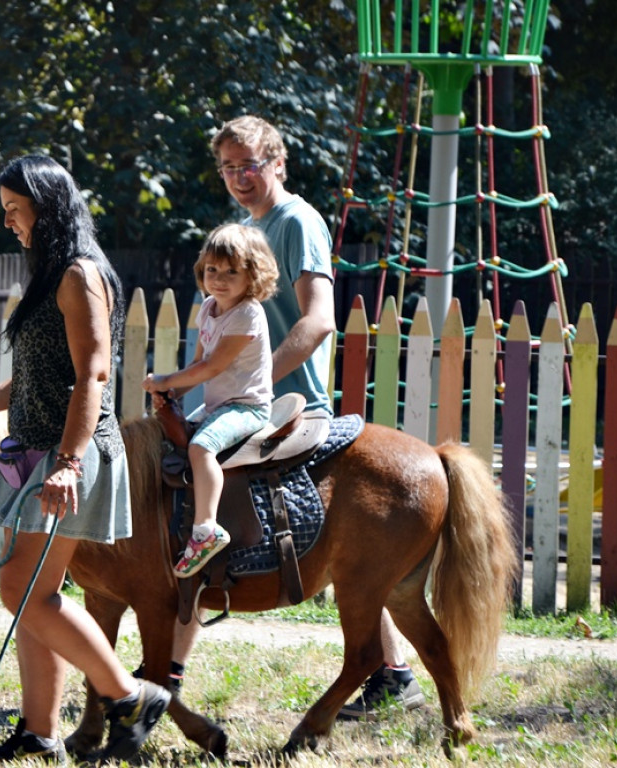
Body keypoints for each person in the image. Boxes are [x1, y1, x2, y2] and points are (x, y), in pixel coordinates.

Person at [167, 115, 425, 718]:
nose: (237, 177)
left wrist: (253, 384)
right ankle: (393, 673)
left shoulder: (297, 221)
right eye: (228, 167)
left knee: (204, 517)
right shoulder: (248, 229)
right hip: (242, 399)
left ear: (279, 163)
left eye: (249, 164)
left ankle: (167, 669)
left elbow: (317, 320)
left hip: (284, 404)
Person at [0, 155, 170, 764]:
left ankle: (130, 696)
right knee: (31, 593)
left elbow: (94, 373)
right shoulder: (51, 274)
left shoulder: (79, 274)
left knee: (22, 590)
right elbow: (42, 373)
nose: (9, 222)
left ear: (48, 206)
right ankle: (39, 733)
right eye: (6, 211)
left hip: (68, 453)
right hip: (36, 450)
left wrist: (68, 462)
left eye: (16, 209)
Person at [142, 223, 278, 578]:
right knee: (170, 438)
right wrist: (172, 394)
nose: (219, 279)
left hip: (247, 405)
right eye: (212, 269)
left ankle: (206, 528)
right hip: (221, 403)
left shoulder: (248, 313)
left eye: (232, 271)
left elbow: (213, 365)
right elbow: (197, 366)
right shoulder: (208, 308)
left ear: (253, 275)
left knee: (201, 448)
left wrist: (165, 380)